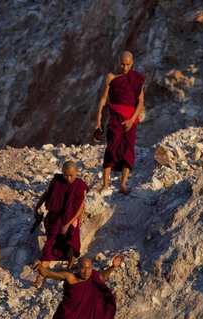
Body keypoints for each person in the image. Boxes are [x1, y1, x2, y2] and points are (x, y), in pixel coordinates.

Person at [95, 51, 145, 195]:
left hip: (131, 119)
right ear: (119, 62)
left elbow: (140, 102)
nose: (125, 67)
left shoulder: (137, 79)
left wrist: (132, 119)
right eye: (122, 64)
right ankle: (105, 184)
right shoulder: (111, 77)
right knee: (111, 148)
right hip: (115, 118)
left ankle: (123, 183)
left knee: (128, 150)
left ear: (132, 63)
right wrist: (98, 118)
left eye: (128, 64)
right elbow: (104, 99)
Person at [33, 160, 88, 288]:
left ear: (76, 173)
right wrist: (37, 206)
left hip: (70, 219)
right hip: (54, 218)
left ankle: (70, 264)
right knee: (49, 246)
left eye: (71, 175)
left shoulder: (80, 185)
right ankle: (41, 275)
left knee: (71, 244)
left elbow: (80, 207)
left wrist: (67, 224)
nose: (68, 178)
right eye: (65, 175)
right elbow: (47, 194)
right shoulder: (57, 182)